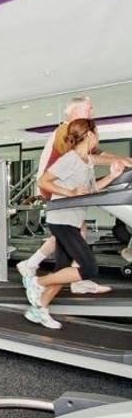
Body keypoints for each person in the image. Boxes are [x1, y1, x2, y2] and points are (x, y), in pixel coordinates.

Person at [16, 96, 132, 292]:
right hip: (54, 187)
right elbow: (87, 157)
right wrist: (122, 161)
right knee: (70, 229)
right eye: (89, 109)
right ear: (75, 111)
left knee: (75, 229)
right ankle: (36, 267)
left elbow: (98, 153)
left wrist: (123, 160)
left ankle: (65, 277)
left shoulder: (80, 132)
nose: (92, 112)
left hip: (60, 185)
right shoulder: (65, 130)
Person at [23, 119, 125, 329]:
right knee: (88, 268)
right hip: (61, 220)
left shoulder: (87, 160)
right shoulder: (69, 159)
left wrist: (113, 176)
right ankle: (36, 282)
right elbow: (43, 181)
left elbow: (91, 189)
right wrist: (69, 192)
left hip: (72, 220)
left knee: (62, 269)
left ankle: (38, 310)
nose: (99, 137)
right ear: (89, 135)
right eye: (97, 133)